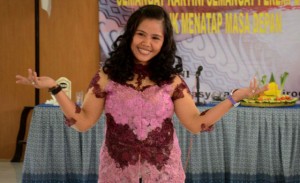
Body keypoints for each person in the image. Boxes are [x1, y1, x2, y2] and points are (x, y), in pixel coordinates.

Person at [16, 5, 267, 183]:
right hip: (116, 173)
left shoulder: (171, 80)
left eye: (155, 37)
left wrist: (235, 97)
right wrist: (55, 87)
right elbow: (82, 122)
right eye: (141, 34)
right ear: (130, 35)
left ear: (164, 42)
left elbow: (196, 123)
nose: (147, 42)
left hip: (164, 174)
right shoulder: (108, 75)